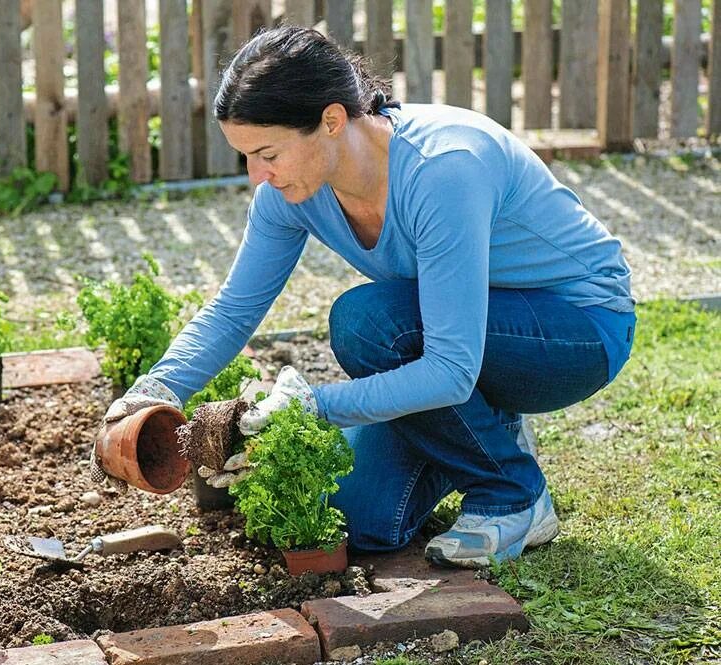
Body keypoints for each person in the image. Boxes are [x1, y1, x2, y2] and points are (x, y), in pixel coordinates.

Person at [90, 26, 636, 569]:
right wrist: (153, 388)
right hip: (465, 330)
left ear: (331, 121)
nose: (258, 175)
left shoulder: (442, 169)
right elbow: (235, 308)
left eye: (267, 153)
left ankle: (514, 496)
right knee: (362, 520)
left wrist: (313, 408)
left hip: (577, 330)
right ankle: (491, 431)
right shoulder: (291, 194)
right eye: (247, 157)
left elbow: (449, 370)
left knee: (367, 322)